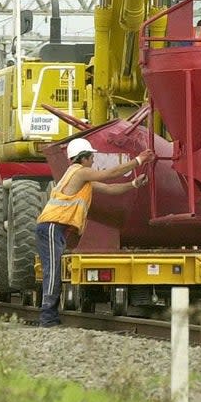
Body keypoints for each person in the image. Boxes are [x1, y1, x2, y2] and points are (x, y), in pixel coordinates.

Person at [35, 137, 155, 327]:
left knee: (54, 271)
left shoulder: (81, 178)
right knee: (52, 272)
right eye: (91, 157)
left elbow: (110, 188)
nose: (93, 161)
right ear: (83, 158)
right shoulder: (79, 172)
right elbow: (110, 174)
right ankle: (47, 318)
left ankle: (50, 316)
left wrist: (133, 184)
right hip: (51, 226)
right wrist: (139, 160)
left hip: (55, 228)